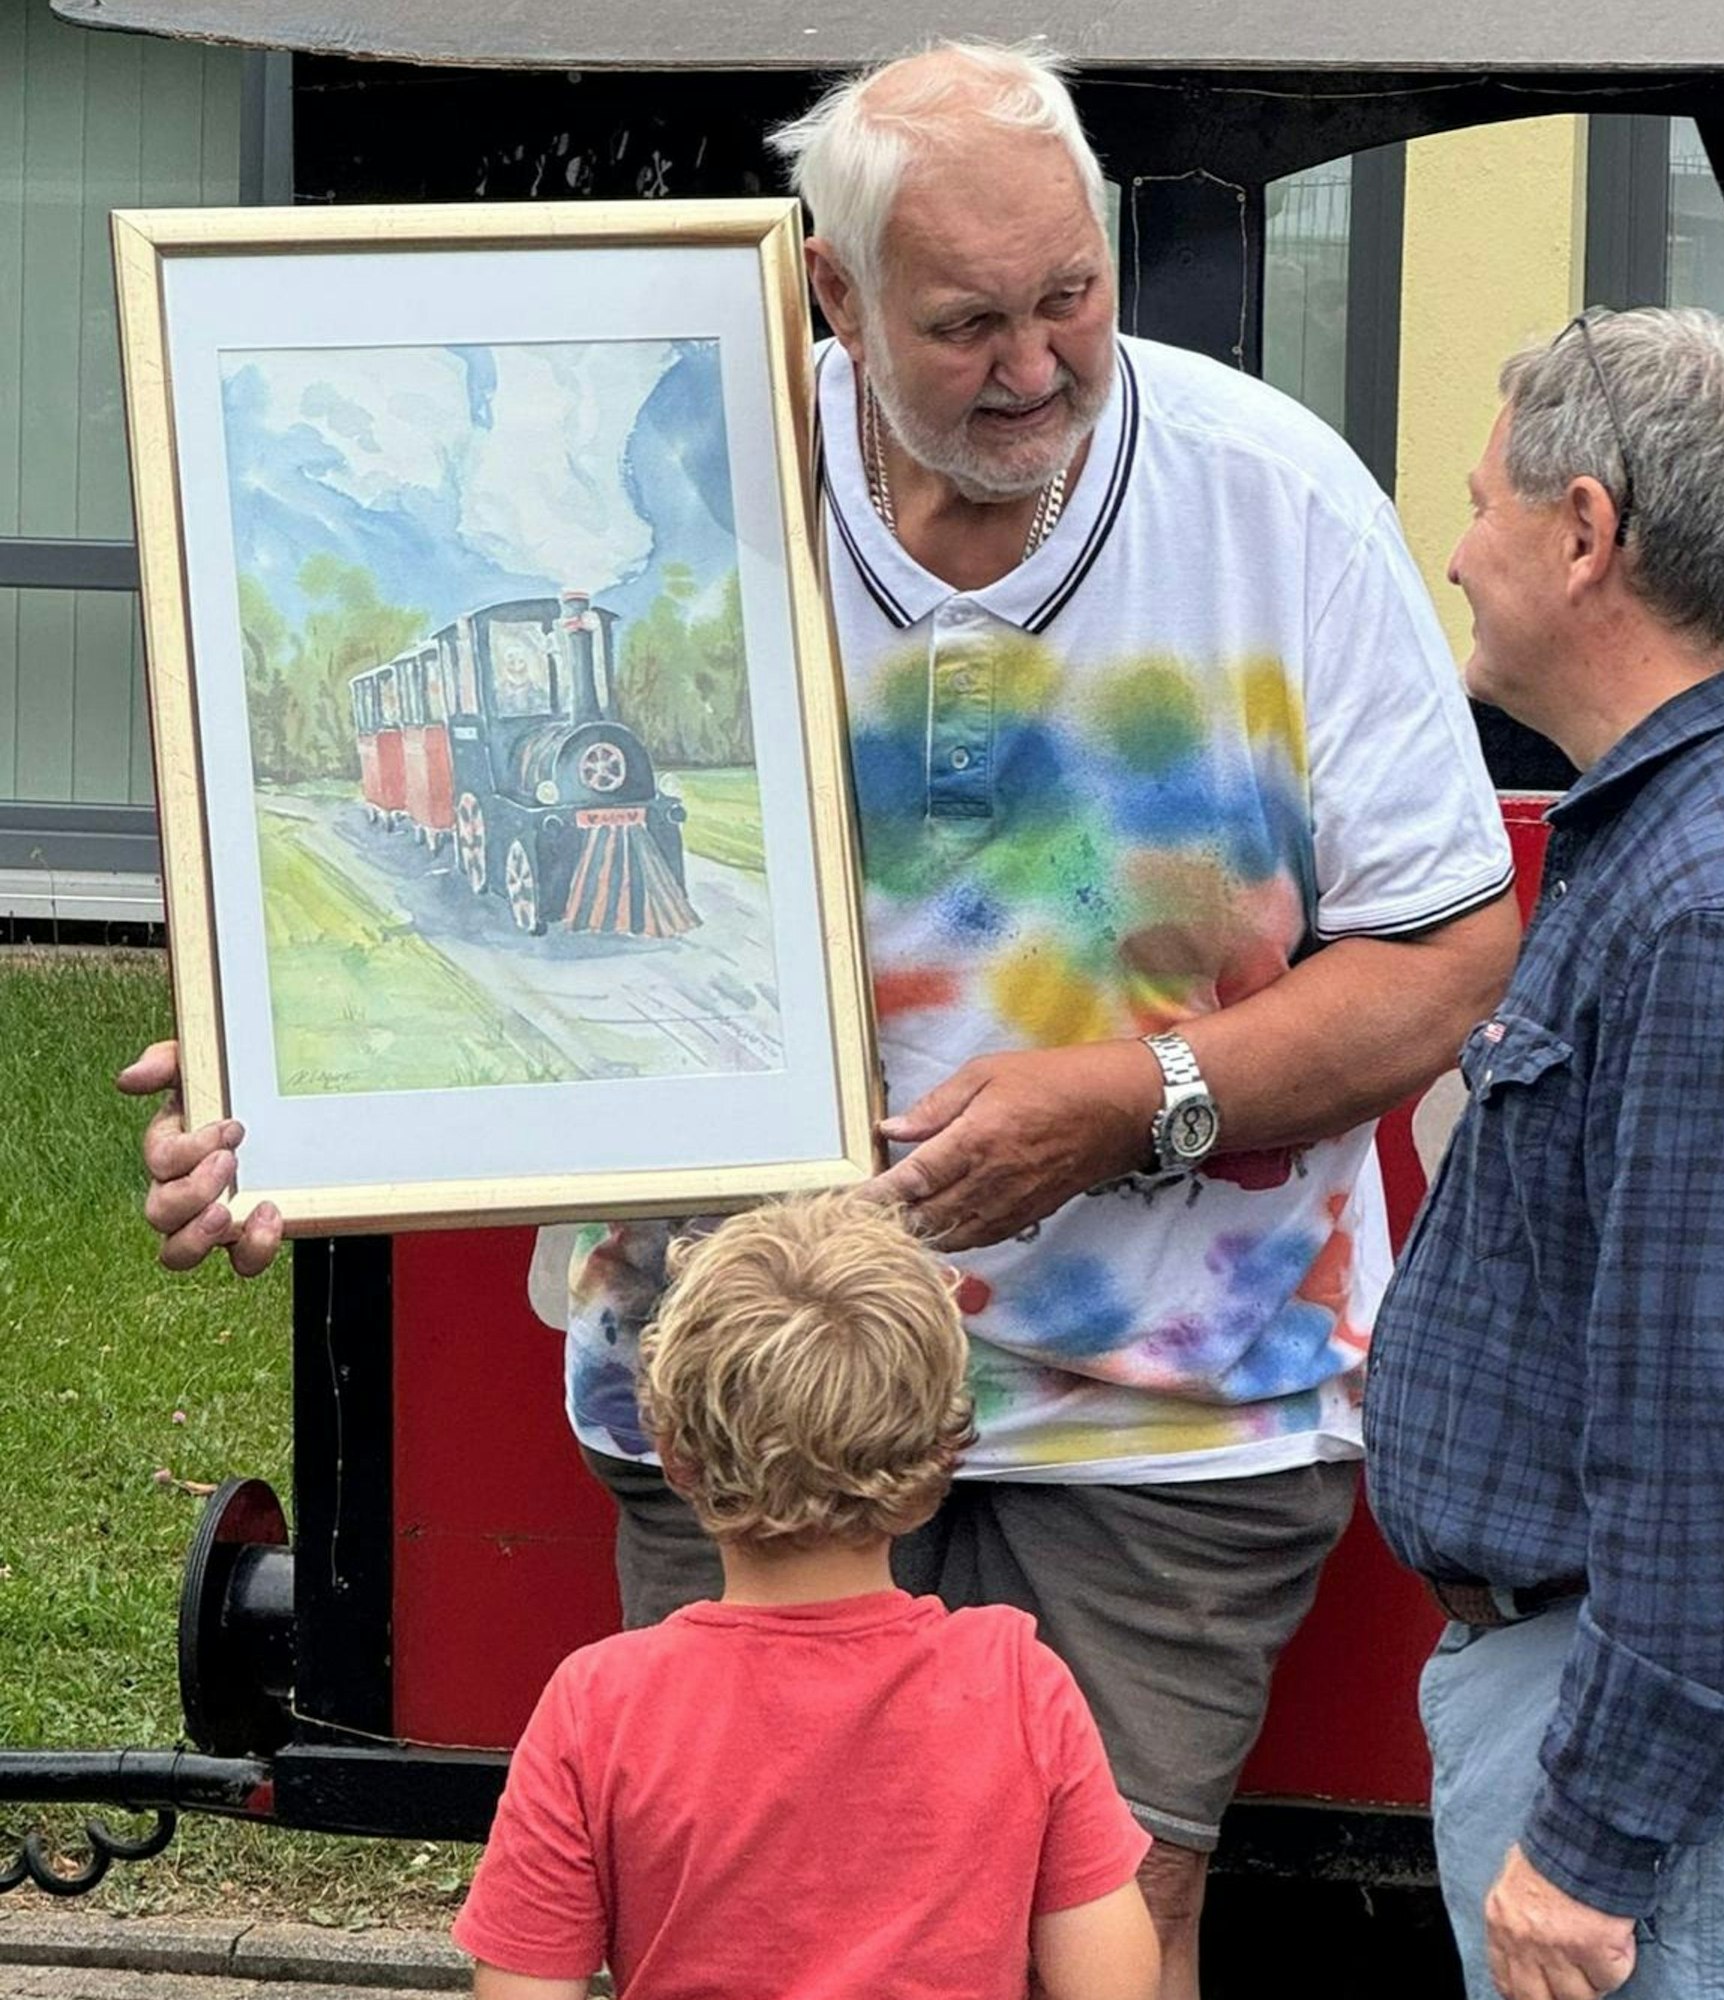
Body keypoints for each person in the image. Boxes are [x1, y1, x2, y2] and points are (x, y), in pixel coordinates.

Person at [123, 43, 1518, 1992]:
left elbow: (1451, 956)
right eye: (967, 324)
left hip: (1161, 1412)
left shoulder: (1276, 503)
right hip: (739, 1387)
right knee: (735, 1935)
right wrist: (295, 1076)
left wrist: (1142, 1095)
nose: (1037, 361)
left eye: (1071, 295)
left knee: (1110, 1931)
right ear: (830, 297)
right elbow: (474, 944)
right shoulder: (653, 472)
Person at [1364, 306, 1724, 2000]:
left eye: (1483, 503)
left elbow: (1710, 1441)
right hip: (1679, 1697)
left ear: (1585, 532)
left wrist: (1595, 1843)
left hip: (1664, 1736)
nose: (1460, 553)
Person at [453, 1189, 1158, 2000]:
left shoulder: (600, 1705)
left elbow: (522, 1987)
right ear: (938, 1456)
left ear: (673, 1450)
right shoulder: (1018, 1686)